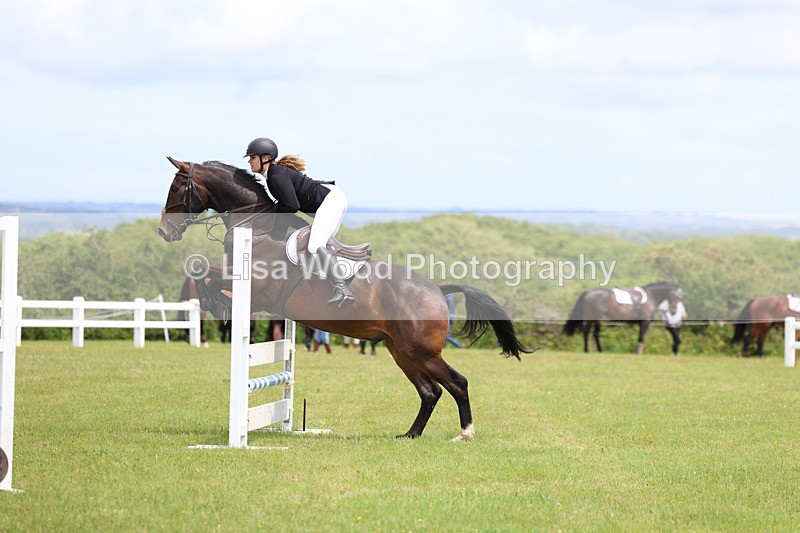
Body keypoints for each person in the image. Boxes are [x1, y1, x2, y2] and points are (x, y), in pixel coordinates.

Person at [245, 137, 354, 307]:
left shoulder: (275, 176)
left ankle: (343, 290)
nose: (250, 162)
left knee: (315, 245)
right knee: (321, 247)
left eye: (252, 157)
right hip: (333, 198)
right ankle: (328, 286)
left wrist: (274, 222)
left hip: (331, 200)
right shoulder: (273, 175)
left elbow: (291, 205)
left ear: (265, 158)